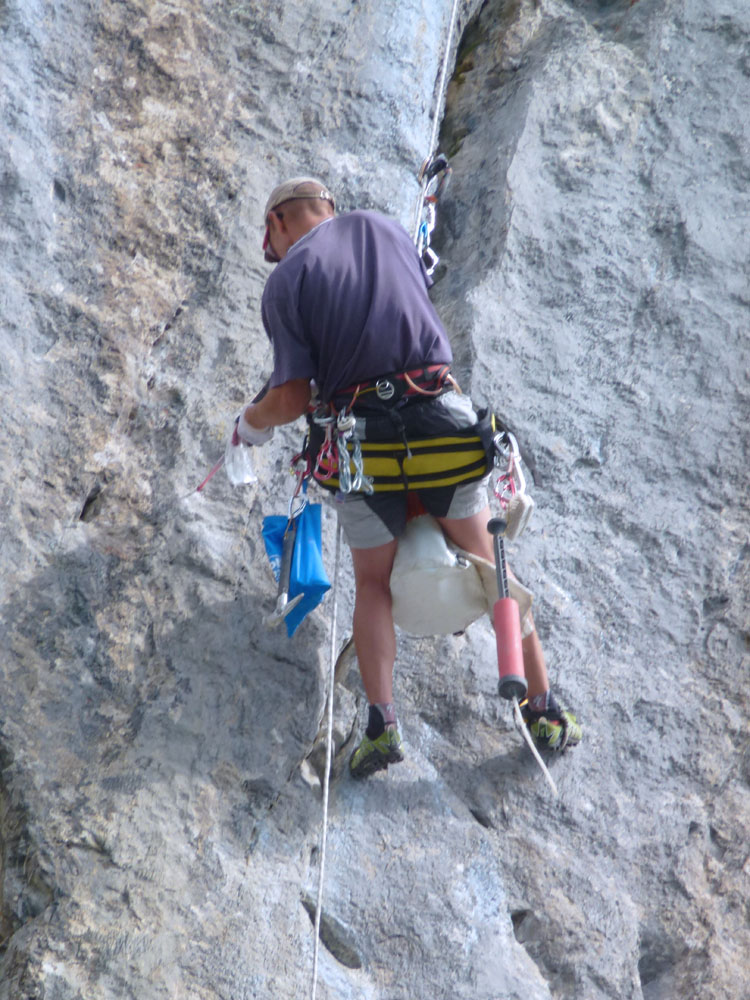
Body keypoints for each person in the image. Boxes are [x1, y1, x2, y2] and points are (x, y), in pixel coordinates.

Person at [233, 176, 582, 778]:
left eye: (272, 240)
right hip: (440, 428)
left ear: (279, 224)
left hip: (361, 447)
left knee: (372, 584)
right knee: (490, 558)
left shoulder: (287, 280)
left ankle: (382, 724)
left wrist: (250, 422)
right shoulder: (390, 232)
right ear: (330, 208)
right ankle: (543, 708)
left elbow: (291, 396)